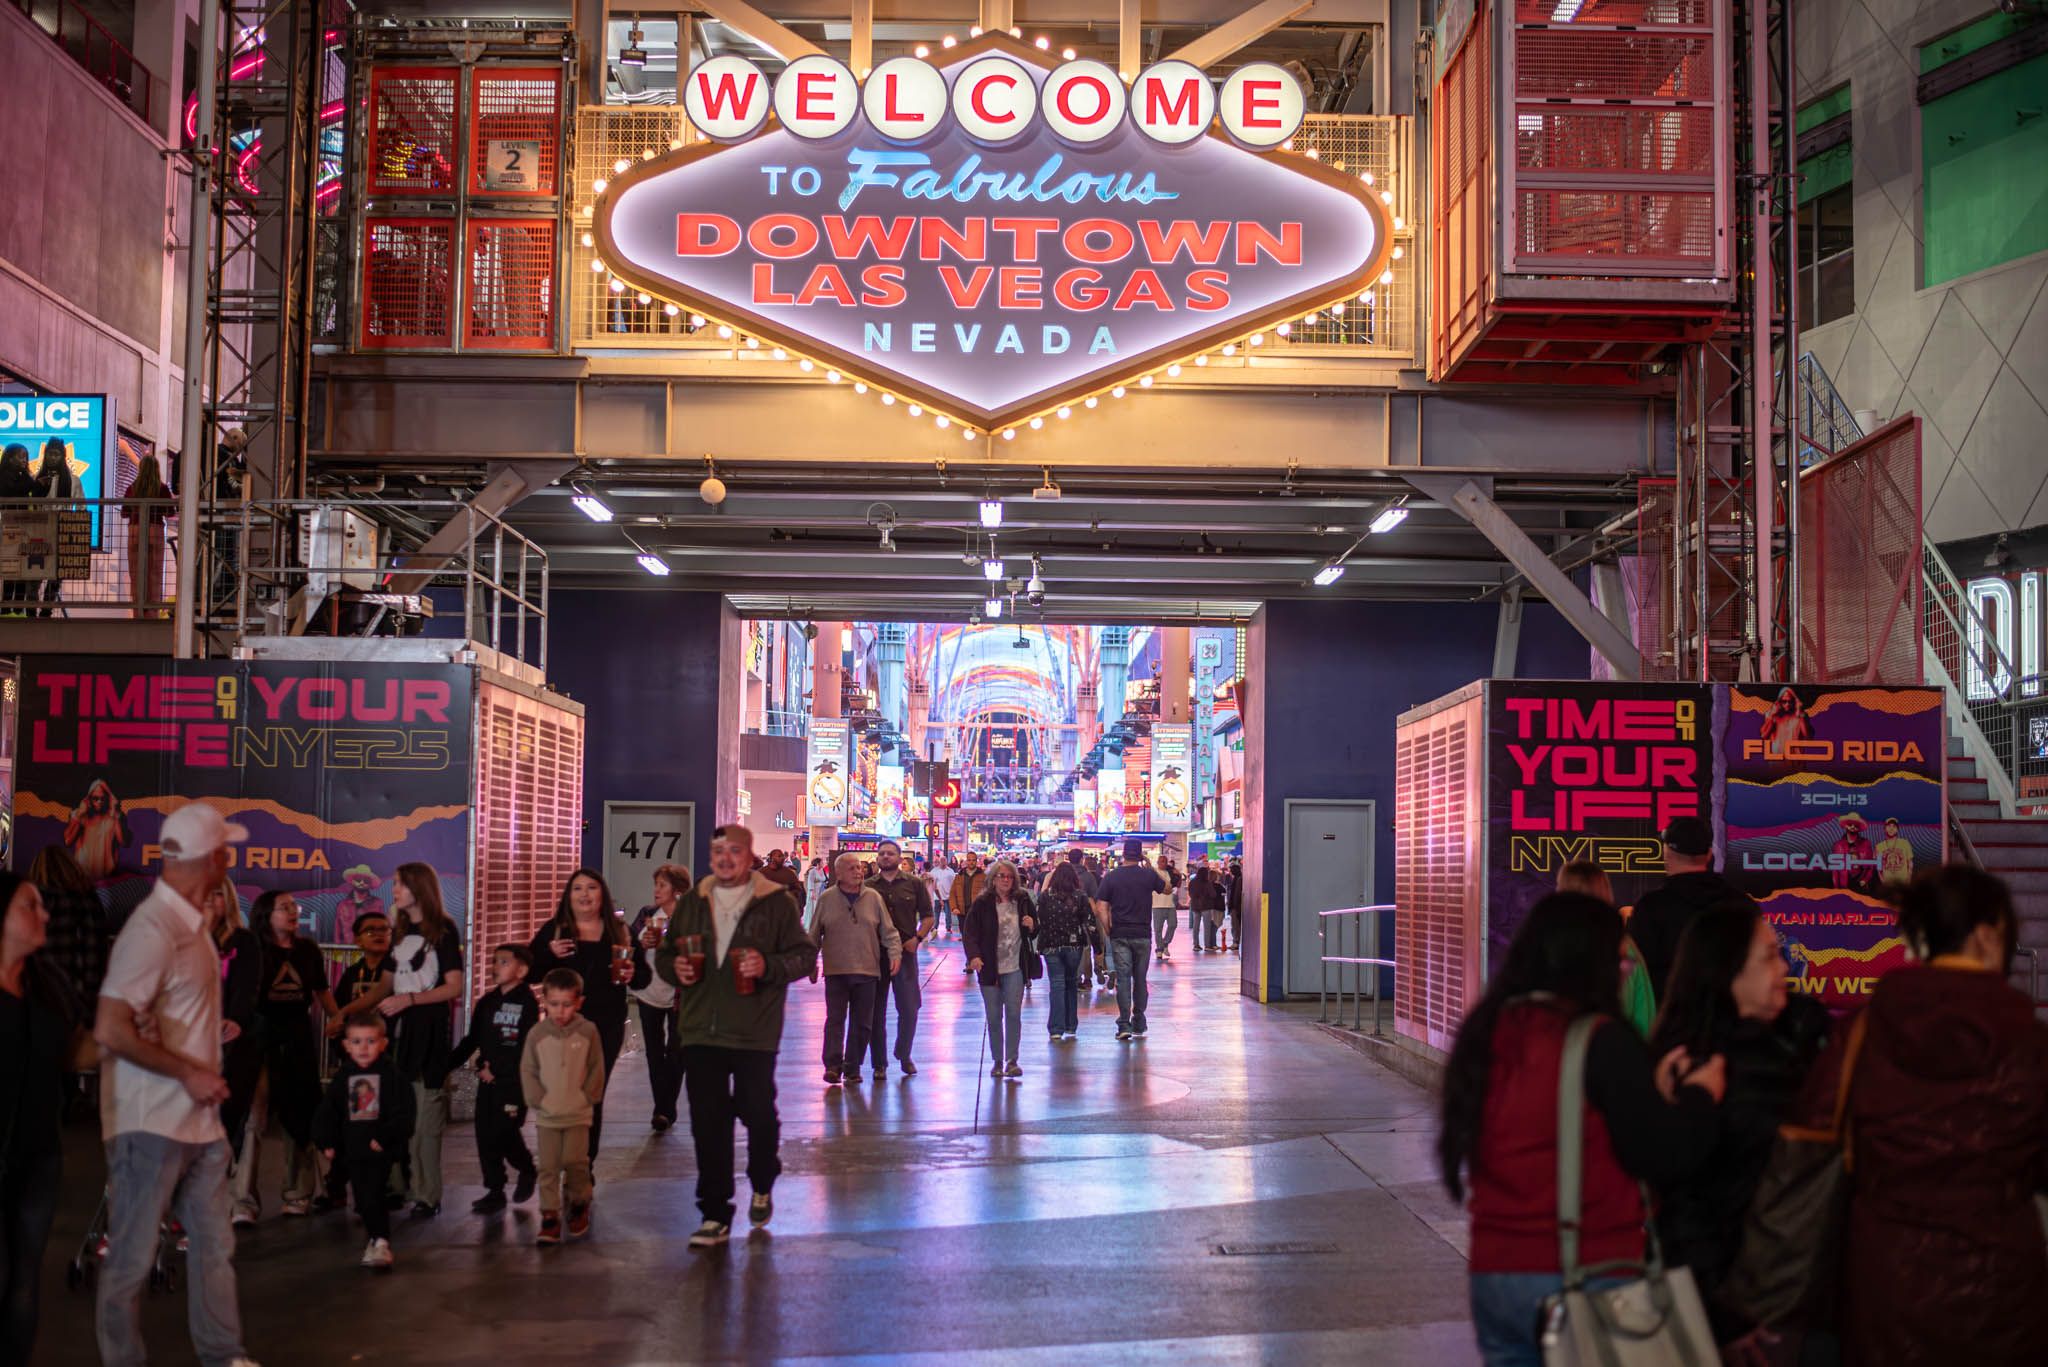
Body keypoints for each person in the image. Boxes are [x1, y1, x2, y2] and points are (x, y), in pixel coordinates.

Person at [1748, 865, 2048, 1366]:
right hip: (2005, 1285)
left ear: (1918, 940)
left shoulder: (1863, 1033)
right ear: (1987, 937)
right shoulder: (2031, 1043)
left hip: (1885, 1282)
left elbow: (1803, 1158)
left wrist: (1762, 1300)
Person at [1437, 891, 1726, 1367]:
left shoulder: (1489, 1030)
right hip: (1581, 1274)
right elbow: (1664, 1154)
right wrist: (1699, 1095)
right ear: (1588, 963)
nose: (1626, 971)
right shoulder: (1600, 1040)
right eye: (1619, 959)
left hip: (1495, 1277)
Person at [91, 803, 259, 1367]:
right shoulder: (152, 930)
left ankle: (223, 1355)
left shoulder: (192, 927)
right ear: (212, 858)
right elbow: (111, 1026)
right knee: (131, 1262)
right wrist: (188, 1071)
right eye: (225, 850)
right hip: (151, 1123)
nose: (229, 858)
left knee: (214, 1248)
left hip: (198, 1124)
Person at [1646, 900, 1828, 1345]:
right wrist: (1725, 1318)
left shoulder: (1797, 1040)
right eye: (1767, 956)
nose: (1782, 967)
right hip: (1737, 1307)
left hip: (1785, 1294)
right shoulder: (1695, 1068)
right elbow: (1688, 1205)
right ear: (1727, 973)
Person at [655, 824, 818, 1247]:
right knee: (708, 1123)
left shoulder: (775, 904)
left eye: (735, 851)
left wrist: (767, 967)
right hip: (699, 1029)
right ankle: (714, 1213)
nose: (726, 858)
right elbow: (669, 954)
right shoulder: (692, 902)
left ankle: (762, 1177)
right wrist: (676, 970)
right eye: (718, 851)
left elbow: (803, 955)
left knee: (757, 1110)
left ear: (749, 857)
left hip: (753, 1030)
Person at [1, 870, 84, 1361]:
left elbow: (76, 1052)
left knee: (24, 1281)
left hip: (37, 1155)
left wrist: (133, 1037)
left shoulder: (48, 982)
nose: (45, 915)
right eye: (29, 905)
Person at [239, 890, 338, 1219]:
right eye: (284, 908)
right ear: (267, 914)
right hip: (259, 1038)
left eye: (294, 907)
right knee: (253, 1116)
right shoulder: (252, 947)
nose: (293, 912)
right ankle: (242, 1200)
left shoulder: (307, 950)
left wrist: (338, 1022)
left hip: (297, 1038)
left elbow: (321, 991)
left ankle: (298, 1193)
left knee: (300, 1115)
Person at [378, 862, 464, 1219]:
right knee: (398, 1113)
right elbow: (386, 983)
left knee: (426, 1119)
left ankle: (427, 1193)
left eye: (399, 884)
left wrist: (409, 1000)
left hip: (427, 1036)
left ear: (418, 888)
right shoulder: (398, 931)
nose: (394, 890)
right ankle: (398, 1185)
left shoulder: (443, 930)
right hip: (397, 1037)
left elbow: (453, 986)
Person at [529, 868, 632, 1167]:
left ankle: (583, 1165)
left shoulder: (618, 930)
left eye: (591, 888)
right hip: (563, 1025)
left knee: (591, 1094)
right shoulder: (556, 930)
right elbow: (531, 973)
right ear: (568, 896)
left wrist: (632, 971)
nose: (585, 894)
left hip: (605, 1024)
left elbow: (637, 977)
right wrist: (549, 954)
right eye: (577, 889)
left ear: (603, 894)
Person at [312, 1015, 415, 1271]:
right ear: (347, 1045)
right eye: (357, 1041)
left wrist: (386, 1137)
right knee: (362, 1196)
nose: (364, 1047)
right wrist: (327, 1140)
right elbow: (329, 1111)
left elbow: (405, 1112)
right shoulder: (344, 1077)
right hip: (352, 1149)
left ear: (383, 1043)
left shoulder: (391, 1076)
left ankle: (380, 1241)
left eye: (371, 1041)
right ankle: (374, 1237)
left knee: (374, 1193)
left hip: (379, 1149)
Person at [449, 943, 540, 1214]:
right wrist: (447, 1064)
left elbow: (525, 1045)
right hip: (487, 1082)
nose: (495, 967)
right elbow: (473, 1039)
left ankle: (526, 1168)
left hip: (512, 1083)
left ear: (521, 970)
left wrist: (498, 1071)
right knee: (485, 1134)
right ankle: (495, 1188)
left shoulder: (527, 1004)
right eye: (494, 961)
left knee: (505, 1131)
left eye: (503, 962)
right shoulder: (487, 1002)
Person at [521, 966, 607, 1244]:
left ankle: (579, 1202)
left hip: (578, 1114)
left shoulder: (588, 1031)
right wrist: (539, 1100)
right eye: (553, 1004)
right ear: (544, 1001)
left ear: (579, 1002)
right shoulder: (537, 1034)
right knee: (547, 1166)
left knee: (576, 1162)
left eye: (567, 1004)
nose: (560, 1011)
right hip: (547, 1116)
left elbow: (597, 1067)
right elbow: (528, 1069)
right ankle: (549, 1215)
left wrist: (587, 1098)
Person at [1626, 815, 1747, 997]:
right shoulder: (1742, 905)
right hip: (1730, 1016)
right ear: (1709, 854)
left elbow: (1636, 978)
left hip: (1668, 1018)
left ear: (1666, 852)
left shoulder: (1650, 908)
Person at [808, 852, 900, 1086]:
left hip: (867, 970)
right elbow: (814, 933)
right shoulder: (827, 899)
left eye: (859, 868)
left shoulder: (873, 898)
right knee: (835, 1020)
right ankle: (832, 1065)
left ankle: (853, 1067)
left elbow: (888, 931)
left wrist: (894, 953)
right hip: (836, 970)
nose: (858, 872)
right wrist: (810, 962)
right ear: (838, 873)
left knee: (862, 1023)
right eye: (852, 868)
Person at [212, 879, 264, 1228]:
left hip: (236, 1041)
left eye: (215, 893)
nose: (207, 900)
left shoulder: (243, 942)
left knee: (240, 1120)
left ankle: (237, 1200)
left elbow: (247, 988)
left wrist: (235, 1020)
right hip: (190, 1043)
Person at [627, 865, 690, 1131]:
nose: (656, 891)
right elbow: (629, 942)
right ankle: (661, 1110)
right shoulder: (647, 915)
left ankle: (667, 1106)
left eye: (662, 885)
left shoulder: (690, 918)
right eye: (656, 885)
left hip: (679, 995)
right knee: (654, 1052)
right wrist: (639, 945)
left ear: (677, 890)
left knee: (676, 1053)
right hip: (648, 992)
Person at [963, 860, 1038, 1079]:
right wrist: (974, 956)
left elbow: (1035, 930)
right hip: (989, 968)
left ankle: (1012, 1060)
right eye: (1001, 876)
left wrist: (1032, 925)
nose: (1006, 880)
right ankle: (997, 1060)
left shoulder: (1023, 900)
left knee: (1013, 1014)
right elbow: (970, 933)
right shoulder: (982, 903)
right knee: (994, 1017)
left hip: (1015, 966)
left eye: (1009, 876)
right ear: (993, 879)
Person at [866, 839, 934, 1077]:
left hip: (906, 953)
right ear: (877, 858)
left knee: (909, 1007)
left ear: (899, 858)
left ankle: (903, 1053)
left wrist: (917, 938)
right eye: (882, 853)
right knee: (876, 1011)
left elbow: (928, 916)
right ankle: (879, 1064)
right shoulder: (867, 887)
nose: (886, 857)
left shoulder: (914, 884)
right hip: (876, 954)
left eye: (890, 854)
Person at [1096, 838, 1165, 1041]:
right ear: (1140, 854)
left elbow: (1101, 907)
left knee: (1123, 979)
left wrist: (1108, 929)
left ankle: (1124, 1024)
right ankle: (1139, 1020)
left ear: (1123, 854)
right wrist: (1151, 867)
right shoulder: (1148, 876)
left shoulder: (1112, 877)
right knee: (1140, 979)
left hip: (1120, 933)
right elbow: (1168, 887)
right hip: (1142, 934)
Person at [31, 843, 108, 1004]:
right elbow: (95, 954)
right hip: (77, 997)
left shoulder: (30, 904)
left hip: (39, 999)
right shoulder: (87, 900)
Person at [1035, 861, 1094, 1040]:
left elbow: (1041, 921)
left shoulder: (1046, 896)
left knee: (1057, 985)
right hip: (1074, 946)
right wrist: (1098, 948)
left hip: (1052, 945)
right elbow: (1088, 922)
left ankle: (1056, 1028)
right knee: (1070, 983)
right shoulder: (1080, 896)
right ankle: (1070, 1025)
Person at [122, 450, 172, 619]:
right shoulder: (162, 488)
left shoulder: (132, 487)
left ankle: (138, 612)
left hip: (135, 530)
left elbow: (124, 512)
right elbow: (170, 512)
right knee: (154, 573)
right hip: (155, 530)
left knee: (136, 574)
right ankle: (152, 613)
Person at [31, 436, 76, 616]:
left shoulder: (72, 481)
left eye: (57, 454)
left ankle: (46, 611)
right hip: (39, 532)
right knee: (34, 574)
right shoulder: (37, 478)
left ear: (63, 456)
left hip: (62, 532)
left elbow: (80, 507)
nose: (53, 458)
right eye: (50, 454)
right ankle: (31, 611)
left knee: (56, 576)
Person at [65, 778, 133, 881]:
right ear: (89, 799)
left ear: (108, 798)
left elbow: (123, 842)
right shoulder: (80, 815)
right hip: (82, 876)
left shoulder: (115, 816)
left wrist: (115, 813)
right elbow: (68, 841)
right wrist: (79, 815)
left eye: (103, 798)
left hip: (107, 878)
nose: (99, 802)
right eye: (95, 798)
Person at [0, 444, 35, 613]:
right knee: (10, 567)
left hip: (22, 526)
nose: (24, 460)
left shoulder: (23, 477)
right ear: (10, 457)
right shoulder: (3, 476)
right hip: (6, 527)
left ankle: (18, 606)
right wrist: (30, 481)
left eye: (26, 457)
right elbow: (11, 491)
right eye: (20, 457)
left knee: (21, 567)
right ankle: (7, 607)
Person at [949, 853, 987, 967]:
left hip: (977, 912)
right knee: (966, 938)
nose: (971, 862)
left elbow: (987, 893)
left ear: (976, 861)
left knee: (978, 936)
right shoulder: (959, 875)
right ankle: (969, 960)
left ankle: (976, 958)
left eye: (973, 860)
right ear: (966, 861)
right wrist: (954, 907)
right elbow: (953, 893)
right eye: (969, 860)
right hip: (962, 912)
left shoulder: (983, 876)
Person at [1189, 865, 1223, 952]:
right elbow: (1213, 894)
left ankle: (1196, 945)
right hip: (1206, 907)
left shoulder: (1192, 882)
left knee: (1195, 927)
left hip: (1195, 906)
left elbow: (1190, 894)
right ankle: (1207, 945)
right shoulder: (1207, 883)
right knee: (1207, 927)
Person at [1151, 854, 1179, 962]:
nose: (1164, 863)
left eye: (1165, 861)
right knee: (1158, 929)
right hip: (1157, 904)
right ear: (1158, 862)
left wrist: (1175, 871)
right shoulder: (1154, 872)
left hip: (1170, 904)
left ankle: (1164, 943)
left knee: (1173, 924)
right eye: (1162, 861)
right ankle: (1159, 949)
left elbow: (1176, 883)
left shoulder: (1169, 873)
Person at [930, 858, 958, 935]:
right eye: (941, 861)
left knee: (948, 914)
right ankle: (935, 928)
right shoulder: (934, 871)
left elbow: (954, 883)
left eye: (944, 860)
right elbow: (931, 883)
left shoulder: (950, 871)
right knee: (936, 913)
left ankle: (948, 928)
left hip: (947, 896)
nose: (942, 862)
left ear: (946, 861)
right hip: (937, 897)